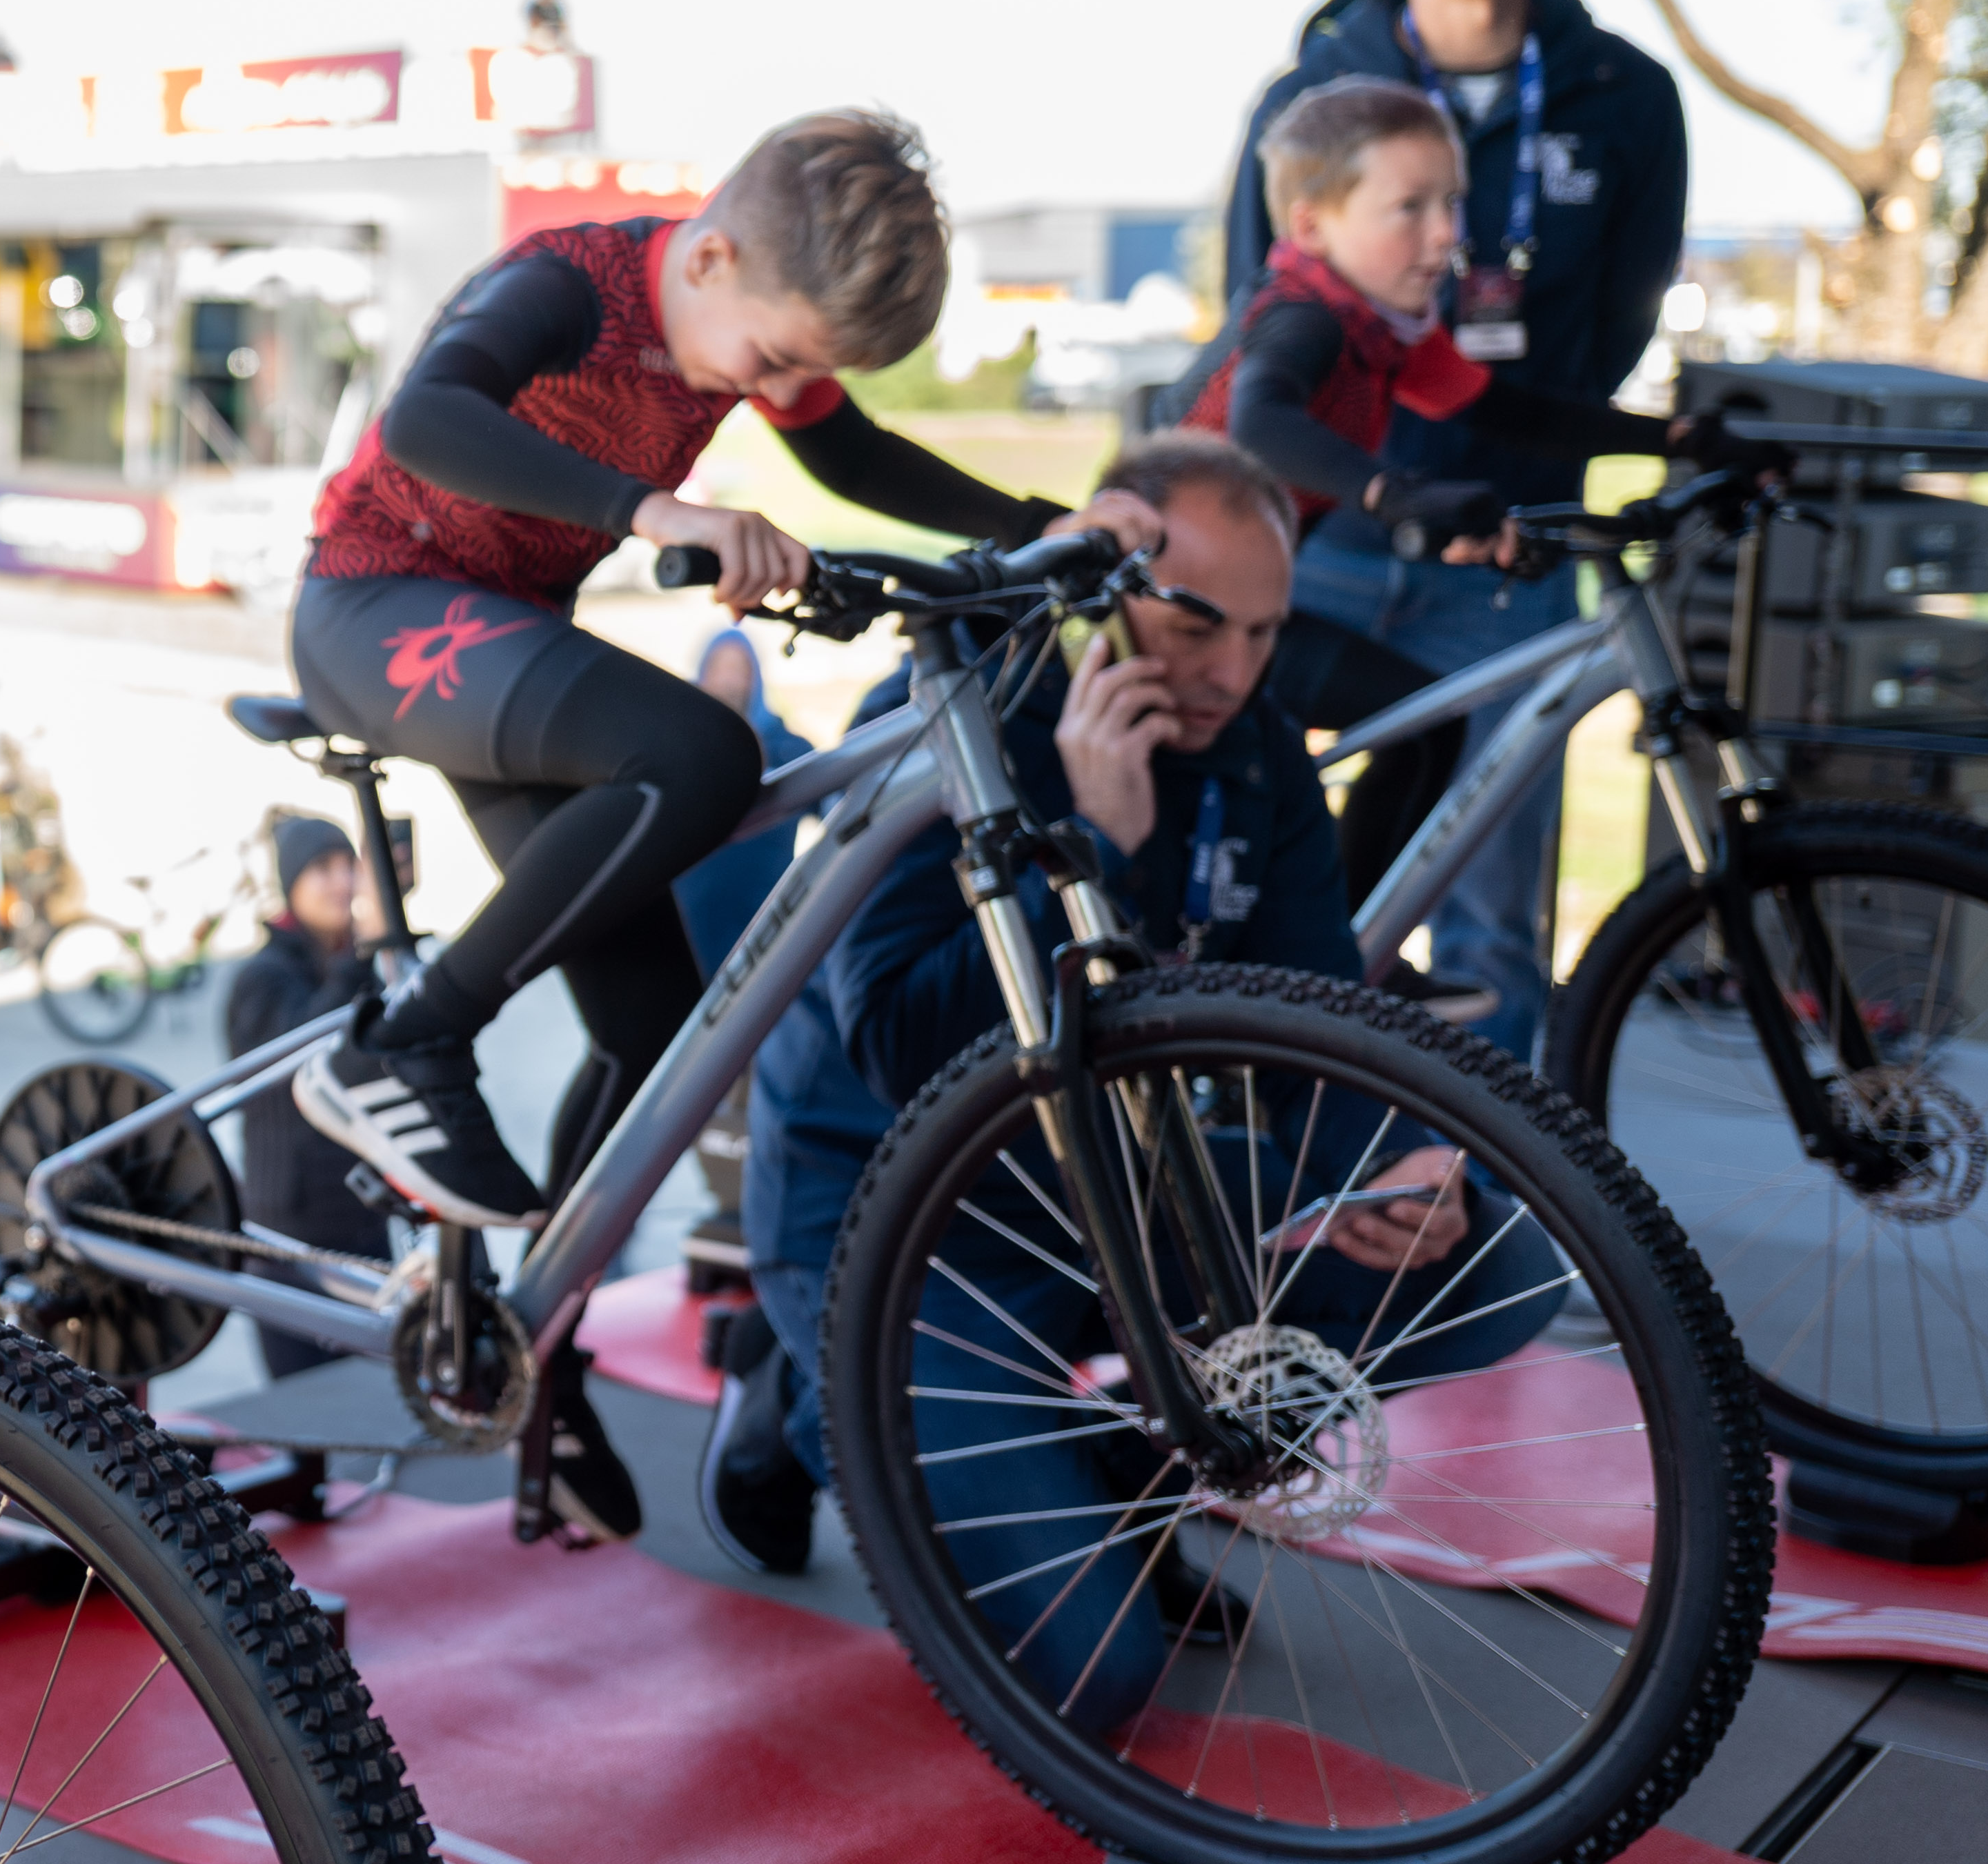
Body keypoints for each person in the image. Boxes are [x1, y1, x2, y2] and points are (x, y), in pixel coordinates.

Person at [711, 437, 1514, 1643]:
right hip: (894, 1216)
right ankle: (793, 1384)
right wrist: (1100, 845)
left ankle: (1122, 1478)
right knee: (1093, 1656)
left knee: (1477, 1257)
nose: (1232, 673)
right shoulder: (957, 714)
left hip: (1105, 1191)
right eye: (1196, 628)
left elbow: (1312, 1012)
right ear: (1108, 588)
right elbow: (900, 1046)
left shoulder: (1253, 747)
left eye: (1265, 633)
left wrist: (1393, 1158)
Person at [286, 115, 1065, 1227]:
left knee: (655, 1027)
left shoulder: (741, 312)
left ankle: (536, 1304)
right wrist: (653, 510)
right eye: (777, 361)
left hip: (505, 638)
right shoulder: (569, 285)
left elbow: (854, 457)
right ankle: (402, 1044)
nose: (782, 387)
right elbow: (426, 419)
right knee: (699, 754)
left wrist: (1043, 526)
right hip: (371, 604)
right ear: (710, 258)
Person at [1208, 0, 1692, 1058]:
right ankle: (1276, 1076)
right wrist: (1386, 490)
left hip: (1500, 544)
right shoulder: (1310, 106)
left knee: (1488, 909)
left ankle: (1486, 1168)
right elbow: (1259, 382)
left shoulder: (1620, 93)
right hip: (1303, 551)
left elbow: (1573, 351)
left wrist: (1676, 442)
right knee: (1238, 861)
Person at [1193, 76, 1704, 920]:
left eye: (1452, 203)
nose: (1447, 236)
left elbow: (1514, 415)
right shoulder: (1303, 318)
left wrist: (1681, 439)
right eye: (1411, 208)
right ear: (1312, 227)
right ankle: (1327, 963)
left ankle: (1339, 957)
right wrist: (1396, 493)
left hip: (1225, 608)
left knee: (1422, 726)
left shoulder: (1380, 329)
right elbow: (1261, 421)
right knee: (1407, 731)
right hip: (1171, 613)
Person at [222, 821, 383, 1380]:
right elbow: (309, 1054)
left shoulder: (356, 961)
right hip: (289, 1232)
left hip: (365, 1213)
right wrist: (363, 953)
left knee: (378, 1391)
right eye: (322, 869)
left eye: (348, 865)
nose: (341, 882)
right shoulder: (262, 977)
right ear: (291, 883)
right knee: (305, 1399)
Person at [669, 631, 813, 974]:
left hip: (768, 932)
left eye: (739, 670)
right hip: (686, 936)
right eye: (719, 668)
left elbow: (844, 811)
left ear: (755, 677)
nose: (728, 681)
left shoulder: (788, 750)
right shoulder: (675, 748)